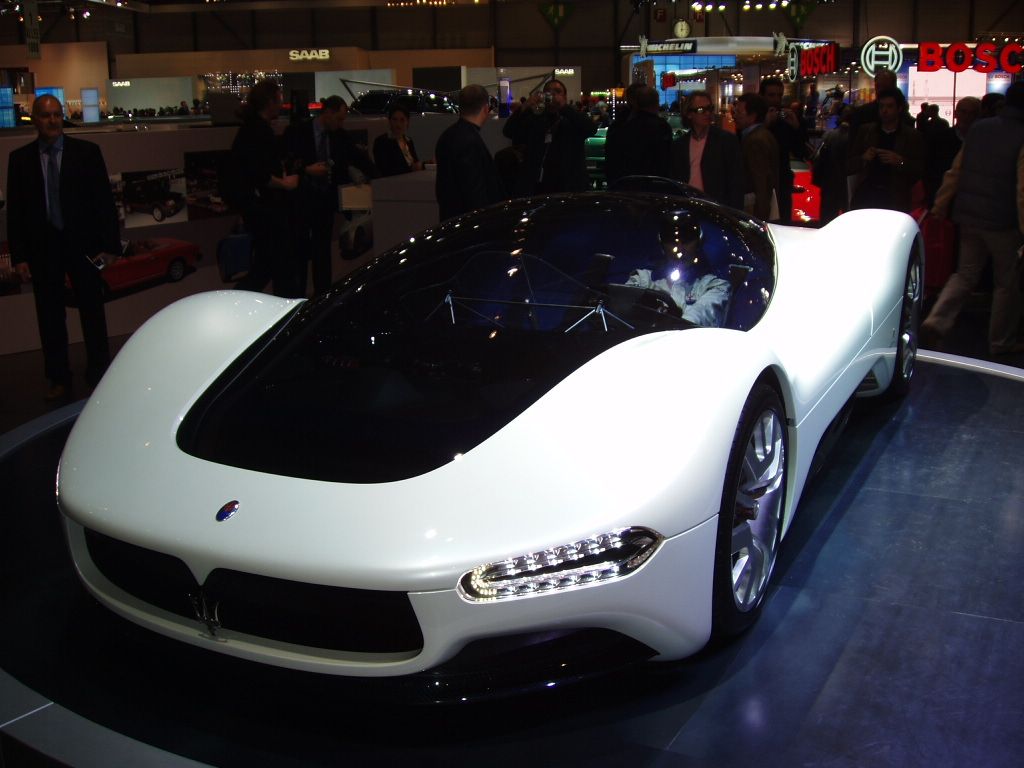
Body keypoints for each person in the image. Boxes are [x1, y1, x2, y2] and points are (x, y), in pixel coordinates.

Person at [7, 94, 121, 401]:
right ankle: (58, 379)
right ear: (35, 119)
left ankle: (99, 374)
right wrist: (19, 257)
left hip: (84, 247)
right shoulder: (20, 160)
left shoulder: (87, 153)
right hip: (43, 250)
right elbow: (15, 212)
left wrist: (110, 246)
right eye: (46, 116)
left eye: (57, 115)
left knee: (93, 312)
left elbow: (104, 204)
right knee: (49, 317)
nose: (53, 121)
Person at [921, 81, 1024, 356]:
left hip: (968, 216)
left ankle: (936, 321)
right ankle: (1000, 343)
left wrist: (940, 205)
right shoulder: (1021, 135)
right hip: (1004, 222)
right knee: (1006, 283)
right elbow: (1022, 189)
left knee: (964, 274)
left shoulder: (979, 129)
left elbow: (955, 171)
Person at [228, 79, 301, 297]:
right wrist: (285, 184)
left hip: (262, 210)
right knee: (275, 267)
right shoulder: (257, 131)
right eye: (279, 100)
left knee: (268, 267)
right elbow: (258, 174)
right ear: (269, 101)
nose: (281, 105)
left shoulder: (251, 129)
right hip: (267, 211)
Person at [284, 95, 347, 295]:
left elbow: (353, 157)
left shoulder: (338, 136)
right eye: (339, 118)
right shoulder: (297, 132)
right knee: (299, 254)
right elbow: (287, 161)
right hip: (301, 202)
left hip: (324, 203)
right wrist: (307, 170)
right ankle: (298, 298)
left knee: (323, 255)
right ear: (328, 113)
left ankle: (322, 297)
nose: (341, 123)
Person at [624, 211, 731, 327]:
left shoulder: (716, 286)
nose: (679, 249)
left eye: (686, 239)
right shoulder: (642, 279)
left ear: (698, 243)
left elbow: (697, 319)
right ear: (662, 245)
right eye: (671, 240)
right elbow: (620, 310)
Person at [500, 78, 596, 194]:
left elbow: (591, 128)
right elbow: (508, 131)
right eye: (548, 92)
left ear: (565, 97)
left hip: (568, 186)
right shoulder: (536, 118)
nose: (552, 94)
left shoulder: (572, 119)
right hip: (538, 186)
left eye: (557, 91)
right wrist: (525, 107)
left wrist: (563, 107)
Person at [848, 87, 924, 213]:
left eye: (889, 106)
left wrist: (900, 161)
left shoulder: (912, 136)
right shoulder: (866, 132)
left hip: (895, 200)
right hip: (867, 197)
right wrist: (863, 158)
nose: (885, 110)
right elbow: (849, 164)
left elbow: (919, 169)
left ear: (899, 109)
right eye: (881, 106)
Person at [434, 84, 504, 221]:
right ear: (485, 108)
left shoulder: (447, 136)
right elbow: (474, 192)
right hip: (468, 224)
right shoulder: (470, 141)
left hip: (450, 219)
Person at [670, 89, 744, 210]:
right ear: (689, 114)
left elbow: (736, 183)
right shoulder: (679, 145)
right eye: (701, 110)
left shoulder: (726, 141)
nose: (707, 113)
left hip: (717, 209)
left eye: (710, 109)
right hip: (687, 207)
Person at [604, 84, 672, 184]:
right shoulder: (662, 127)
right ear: (656, 103)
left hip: (624, 183)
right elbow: (665, 161)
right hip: (654, 185)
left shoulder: (620, 126)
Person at [760, 77, 807, 223]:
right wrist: (764, 125)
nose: (776, 99)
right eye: (771, 95)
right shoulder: (755, 117)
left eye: (779, 95)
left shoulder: (786, 119)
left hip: (782, 180)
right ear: (762, 96)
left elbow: (800, 151)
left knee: (783, 220)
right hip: (760, 181)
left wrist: (796, 128)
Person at [733, 93, 780, 221]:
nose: (734, 115)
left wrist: (759, 220)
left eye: (739, 112)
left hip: (753, 210)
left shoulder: (756, 140)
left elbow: (761, 182)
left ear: (752, 116)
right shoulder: (761, 135)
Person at [812, 105, 854, 224]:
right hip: (848, 186)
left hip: (829, 185)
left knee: (827, 221)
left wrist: (818, 181)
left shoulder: (829, 136)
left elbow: (818, 159)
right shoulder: (856, 137)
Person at [373, 104, 424, 177]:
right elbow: (385, 170)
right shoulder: (382, 142)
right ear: (389, 121)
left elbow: (415, 163)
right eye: (394, 120)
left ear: (407, 122)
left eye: (402, 120)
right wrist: (411, 169)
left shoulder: (408, 141)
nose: (398, 124)